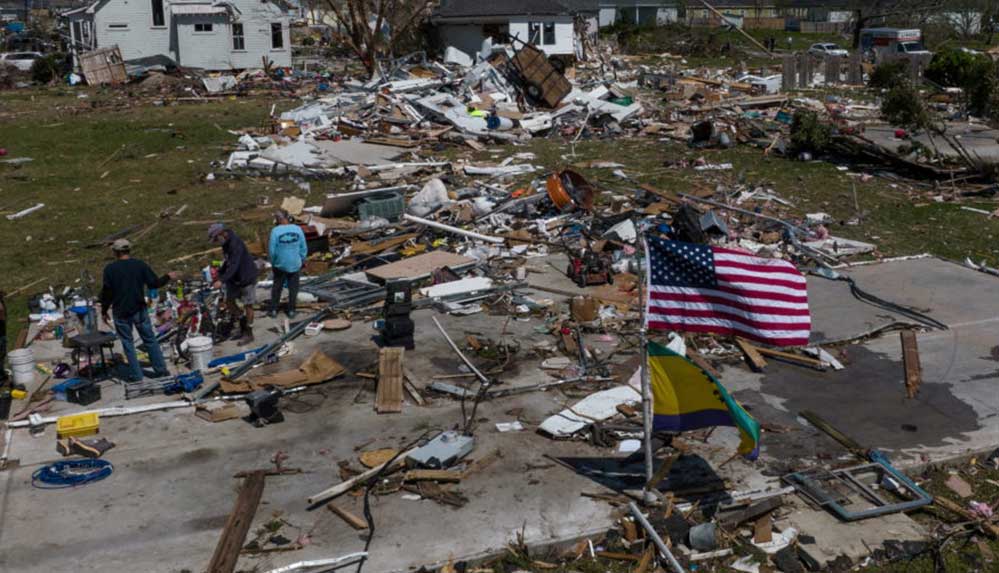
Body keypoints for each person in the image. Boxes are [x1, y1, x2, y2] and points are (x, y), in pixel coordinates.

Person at [99, 239, 178, 381]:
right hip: (139, 309)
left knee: (128, 343)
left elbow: (107, 293)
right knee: (150, 340)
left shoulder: (110, 269)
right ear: (129, 250)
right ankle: (161, 371)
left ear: (115, 252)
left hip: (121, 311)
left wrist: (104, 311)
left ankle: (137, 375)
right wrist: (168, 276)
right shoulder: (139, 265)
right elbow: (154, 283)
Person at [208, 224, 259, 345]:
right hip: (234, 279)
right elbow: (228, 262)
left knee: (248, 305)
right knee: (229, 302)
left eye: (216, 238)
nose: (216, 242)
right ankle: (242, 324)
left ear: (222, 233)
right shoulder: (225, 243)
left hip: (246, 277)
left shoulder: (235, 244)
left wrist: (222, 280)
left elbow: (235, 265)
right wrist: (219, 274)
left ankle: (249, 332)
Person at [268, 210, 307, 319]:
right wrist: (302, 259)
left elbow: (272, 250)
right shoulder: (297, 229)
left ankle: (274, 309)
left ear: (277, 219)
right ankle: (291, 310)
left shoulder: (275, 231)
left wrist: (273, 262)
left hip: (280, 264)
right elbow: (303, 247)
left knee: (277, 287)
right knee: (293, 288)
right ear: (287, 217)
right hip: (295, 263)